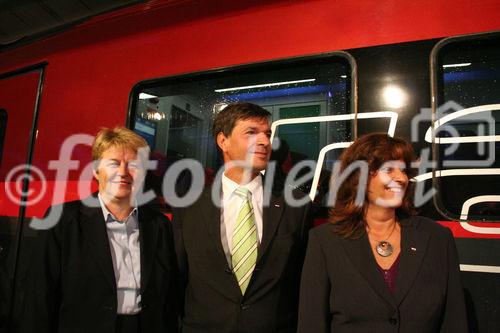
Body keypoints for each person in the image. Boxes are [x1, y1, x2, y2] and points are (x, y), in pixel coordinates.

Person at [297, 133, 468, 332]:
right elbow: (312, 324)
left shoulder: (437, 238)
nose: (401, 178)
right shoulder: (325, 241)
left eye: (404, 171)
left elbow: (454, 321)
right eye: (389, 169)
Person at [21, 127, 178, 333]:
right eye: (113, 163)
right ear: (96, 170)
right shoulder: (62, 219)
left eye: (133, 165)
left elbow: (169, 297)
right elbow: (38, 297)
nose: (123, 172)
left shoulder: (159, 225)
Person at [172, 102, 313, 333]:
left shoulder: (296, 205)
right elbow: (177, 279)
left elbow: (302, 282)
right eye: (251, 132)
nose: (265, 141)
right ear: (223, 141)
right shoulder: (189, 206)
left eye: (267, 134)